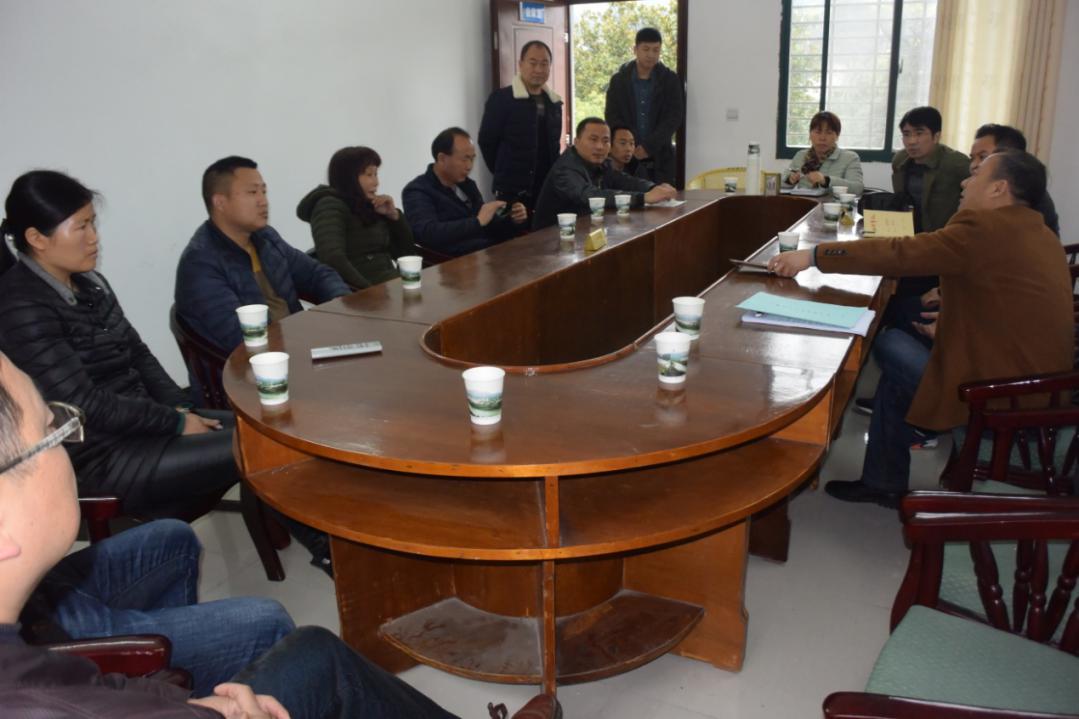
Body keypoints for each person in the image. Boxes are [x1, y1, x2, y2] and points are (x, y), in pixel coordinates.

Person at [0, 351, 469, 718]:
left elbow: (80, 681)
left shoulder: (31, 665)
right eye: (52, 430)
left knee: (173, 539)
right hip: (75, 612)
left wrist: (175, 697)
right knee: (311, 650)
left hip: (55, 614)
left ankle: (187, 667)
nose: (69, 444)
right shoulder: (41, 701)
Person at [768, 150, 1073, 507]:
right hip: (1041, 389)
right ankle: (883, 480)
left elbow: (901, 253)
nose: (965, 182)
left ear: (998, 188)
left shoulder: (985, 229)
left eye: (976, 176)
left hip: (1002, 394)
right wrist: (951, 318)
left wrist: (813, 256)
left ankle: (889, 471)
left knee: (892, 344)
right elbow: (1004, 299)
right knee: (900, 356)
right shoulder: (1038, 230)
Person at [0, 170, 237, 516]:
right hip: (100, 457)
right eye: (81, 227)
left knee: (270, 433)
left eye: (93, 223)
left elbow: (138, 354)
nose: (94, 238)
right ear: (37, 238)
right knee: (263, 448)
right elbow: (83, 404)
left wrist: (180, 408)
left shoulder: (91, 282)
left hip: (143, 426)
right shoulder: (21, 306)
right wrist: (175, 423)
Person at [20, 519, 295, 697]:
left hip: (43, 589)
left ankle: (181, 693)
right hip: (52, 633)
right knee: (269, 622)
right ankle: (168, 689)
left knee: (175, 539)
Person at [175, 156, 350, 356]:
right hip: (259, 367)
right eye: (252, 192)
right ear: (220, 202)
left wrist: (341, 306)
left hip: (300, 347)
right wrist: (310, 338)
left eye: (264, 192)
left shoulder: (265, 238)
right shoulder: (200, 263)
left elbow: (317, 274)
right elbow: (241, 338)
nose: (263, 201)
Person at [297, 146, 418, 288]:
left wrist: (394, 217)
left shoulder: (368, 205)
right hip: (363, 292)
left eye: (376, 174)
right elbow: (333, 258)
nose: (376, 182)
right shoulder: (329, 206)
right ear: (349, 178)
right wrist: (367, 291)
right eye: (369, 175)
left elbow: (407, 255)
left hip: (391, 284)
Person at [531, 117, 677, 230]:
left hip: (584, 228)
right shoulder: (565, 168)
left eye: (605, 141)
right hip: (551, 236)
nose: (600, 146)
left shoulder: (601, 162)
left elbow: (624, 181)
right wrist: (643, 198)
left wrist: (654, 188)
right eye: (593, 140)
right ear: (576, 141)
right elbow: (590, 196)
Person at [402, 127, 527, 258]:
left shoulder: (467, 185)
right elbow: (428, 233)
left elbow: (488, 226)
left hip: (488, 254)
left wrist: (513, 220)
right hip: (455, 263)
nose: (469, 166)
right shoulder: (417, 191)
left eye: (472, 159)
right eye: (464, 159)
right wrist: (477, 222)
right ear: (442, 158)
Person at [479, 40, 564, 211]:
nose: (538, 69)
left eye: (544, 64)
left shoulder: (554, 103)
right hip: (511, 191)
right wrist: (504, 172)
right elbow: (487, 142)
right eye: (533, 63)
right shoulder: (501, 99)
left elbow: (553, 146)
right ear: (520, 64)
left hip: (545, 188)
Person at [604, 27, 684, 186]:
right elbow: (612, 115)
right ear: (635, 50)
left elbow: (674, 117)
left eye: (656, 50)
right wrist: (631, 145)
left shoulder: (670, 80)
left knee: (662, 198)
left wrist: (648, 146)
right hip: (626, 156)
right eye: (646, 49)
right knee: (626, 196)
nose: (651, 55)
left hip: (661, 156)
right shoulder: (619, 80)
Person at [892, 106, 970, 234]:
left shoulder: (956, 163)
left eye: (919, 133)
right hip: (908, 233)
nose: (911, 141)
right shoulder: (900, 160)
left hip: (943, 236)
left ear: (936, 136)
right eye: (906, 134)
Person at [784, 111, 863, 194]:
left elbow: (857, 188)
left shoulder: (850, 158)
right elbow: (782, 182)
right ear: (810, 134)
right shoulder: (801, 155)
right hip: (802, 201)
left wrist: (825, 181)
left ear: (837, 136)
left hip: (832, 202)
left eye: (829, 133)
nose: (822, 138)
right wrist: (789, 179)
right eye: (818, 132)